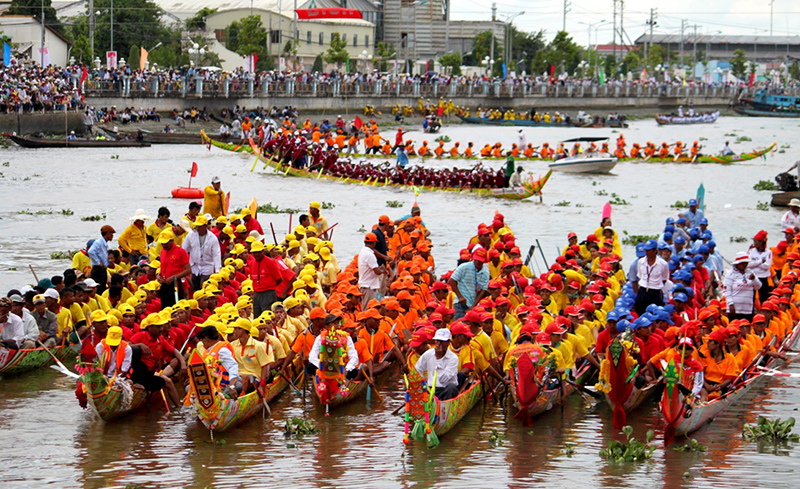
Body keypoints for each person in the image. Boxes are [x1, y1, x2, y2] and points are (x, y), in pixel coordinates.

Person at [248, 241, 294, 317]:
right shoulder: (252, 263)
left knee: (268, 316)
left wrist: (269, 286)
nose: (256, 254)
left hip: (268, 293)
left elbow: (279, 279)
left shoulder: (270, 262)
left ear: (263, 251)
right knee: (257, 316)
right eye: (254, 252)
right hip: (257, 293)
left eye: (258, 252)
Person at [195, 325, 241, 398]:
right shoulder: (208, 351)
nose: (202, 343)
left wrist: (232, 386)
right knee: (188, 388)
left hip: (223, 385)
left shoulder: (222, 351)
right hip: (210, 386)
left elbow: (233, 367)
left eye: (202, 340)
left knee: (238, 386)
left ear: (206, 339)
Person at [414, 328, 460, 400]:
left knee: (451, 387)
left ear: (448, 342)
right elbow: (417, 370)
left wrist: (439, 359)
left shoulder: (453, 358)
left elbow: (443, 379)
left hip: (446, 389)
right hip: (431, 389)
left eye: (442, 341)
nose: (439, 344)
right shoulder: (428, 354)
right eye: (437, 341)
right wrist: (422, 382)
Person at [182, 215, 221, 291]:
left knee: (204, 287)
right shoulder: (190, 235)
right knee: (194, 288)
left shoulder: (213, 238)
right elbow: (184, 250)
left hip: (207, 265)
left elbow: (216, 254)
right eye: (197, 226)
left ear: (205, 226)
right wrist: (182, 265)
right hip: (194, 265)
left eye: (200, 226)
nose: (198, 228)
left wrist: (217, 270)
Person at [448, 249, 490, 320]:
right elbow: (452, 280)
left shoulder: (485, 273)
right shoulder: (464, 267)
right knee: (460, 325)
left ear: (484, 261)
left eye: (480, 260)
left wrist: (474, 305)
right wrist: (460, 296)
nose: (478, 262)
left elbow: (482, 290)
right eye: (476, 259)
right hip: (460, 303)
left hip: (474, 303)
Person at [632, 240, 668, 315]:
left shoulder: (663, 264)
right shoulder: (641, 262)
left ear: (655, 250)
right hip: (643, 290)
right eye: (646, 250)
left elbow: (664, 279)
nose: (646, 252)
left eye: (649, 250)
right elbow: (639, 276)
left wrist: (655, 285)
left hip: (655, 291)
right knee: (640, 312)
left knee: (656, 314)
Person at [157, 232, 191, 308]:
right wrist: (158, 276)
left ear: (172, 241)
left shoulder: (180, 251)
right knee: (165, 307)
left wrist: (174, 277)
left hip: (176, 284)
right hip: (165, 284)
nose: (164, 245)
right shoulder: (162, 251)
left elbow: (188, 270)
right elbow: (162, 267)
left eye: (166, 243)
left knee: (176, 307)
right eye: (162, 243)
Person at [725, 252, 761, 321]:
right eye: (743, 263)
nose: (745, 265)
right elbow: (727, 290)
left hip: (748, 309)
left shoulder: (750, 272)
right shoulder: (730, 274)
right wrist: (730, 304)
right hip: (735, 309)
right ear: (738, 263)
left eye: (746, 263)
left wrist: (754, 279)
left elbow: (758, 287)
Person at [358, 233, 386, 308]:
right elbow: (377, 271)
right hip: (369, 287)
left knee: (369, 307)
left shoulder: (362, 252)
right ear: (374, 243)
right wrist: (383, 270)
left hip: (367, 285)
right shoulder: (370, 255)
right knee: (369, 309)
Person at [88, 225, 115, 294]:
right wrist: (98, 262)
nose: (112, 235)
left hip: (102, 269)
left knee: (102, 288)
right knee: (99, 289)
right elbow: (90, 252)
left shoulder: (104, 243)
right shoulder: (99, 242)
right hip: (98, 270)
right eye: (111, 233)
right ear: (108, 233)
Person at [747, 230, 772, 303]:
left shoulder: (768, 252)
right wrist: (760, 261)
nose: (754, 243)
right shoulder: (751, 251)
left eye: (755, 241)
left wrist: (754, 263)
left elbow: (766, 266)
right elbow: (748, 265)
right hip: (753, 277)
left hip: (763, 277)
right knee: (751, 297)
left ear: (761, 242)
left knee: (763, 298)